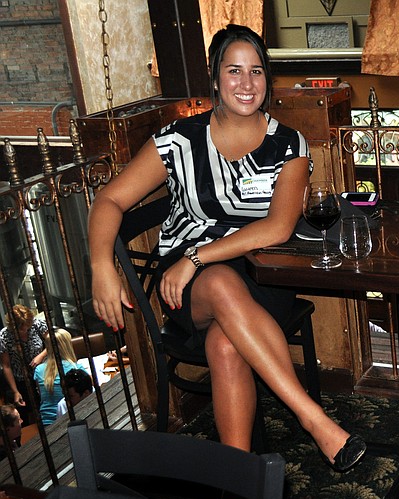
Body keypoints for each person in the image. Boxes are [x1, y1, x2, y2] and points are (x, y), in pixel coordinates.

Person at [88, 24, 364, 475]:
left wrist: (198, 256)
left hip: (259, 274)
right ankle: (314, 420)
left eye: (256, 71)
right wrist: (102, 266)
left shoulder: (287, 143)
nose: (246, 83)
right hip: (188, 286)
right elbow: (109, 200)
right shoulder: (179, 139)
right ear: (215, 78)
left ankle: (233, 487)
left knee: (225, 344)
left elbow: (278, 227)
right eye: (234, 71)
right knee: (218, 283)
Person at [0, 305, 48, 423]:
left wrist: (41, 355)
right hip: (21, 380)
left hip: (43, 374)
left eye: (27, 326)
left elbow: (53, 342)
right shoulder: (4, 336)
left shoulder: (38, 324)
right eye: (21, 328)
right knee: (25, 414)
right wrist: (15, 391)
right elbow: (6, 366)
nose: (25, 330)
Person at [33, 328, 89, 425]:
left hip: (46, 422)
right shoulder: (76, 369)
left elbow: (42, 396)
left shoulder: (38, 370)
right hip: (70, 420)